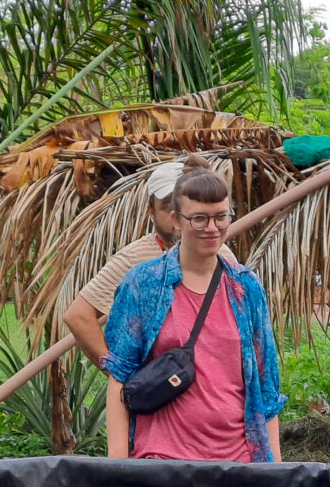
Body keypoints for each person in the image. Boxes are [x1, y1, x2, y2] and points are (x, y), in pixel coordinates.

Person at [103, 168, 285, 462]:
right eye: (199, 218)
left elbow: (266, 387)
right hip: (162, 462)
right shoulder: (145, 283)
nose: (212, 227)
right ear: (176, 220)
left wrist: (276, 473)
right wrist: (119, 467)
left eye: (221, 216)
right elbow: (119, 377)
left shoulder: (245, 287)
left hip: (237, 464)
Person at [60, 160, 185, 363]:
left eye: (184, 207)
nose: (176, 216)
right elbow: (78, 316)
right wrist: (118, 374)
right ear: (150, 211)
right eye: (167, 207)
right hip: (161, 384)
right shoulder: (134, 259)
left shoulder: (219, 252)